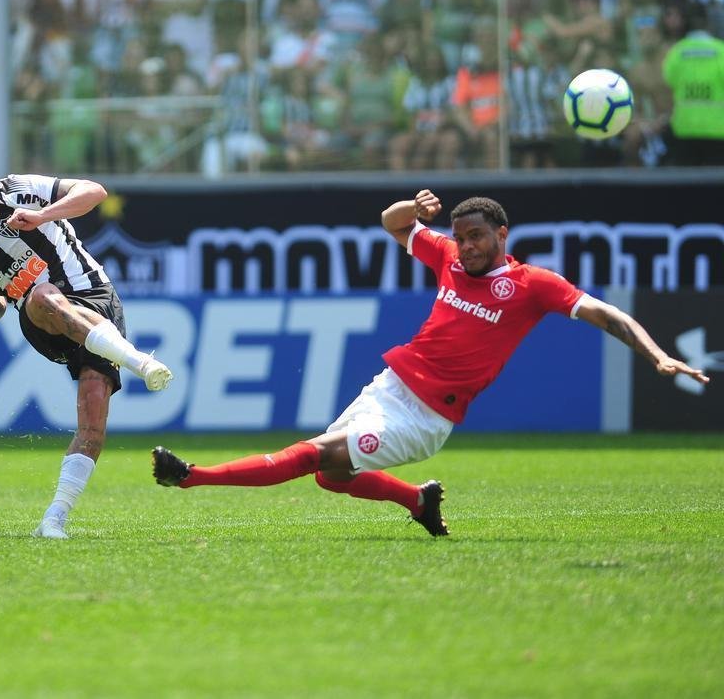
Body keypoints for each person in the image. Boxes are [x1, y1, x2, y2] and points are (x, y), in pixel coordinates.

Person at [153, 190, 710, 536]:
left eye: (476, 237)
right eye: (460, 236)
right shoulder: (446, 255)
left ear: (501, 236)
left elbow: (608, 315)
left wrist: (658, 355)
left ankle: (191, 479)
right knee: (330, 478)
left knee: (315, 456)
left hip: (423, 419)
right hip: (390, 387)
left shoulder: (532, 286)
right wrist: (413, 210)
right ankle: (418, 500)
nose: (464, 246)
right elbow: (391, 222)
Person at [0, 149, 174, 539]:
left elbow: (94, 191)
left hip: (93, 297)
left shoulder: (17, 191)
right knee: (40, 295)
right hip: (40, 317)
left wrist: (43, 216)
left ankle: (53, 519)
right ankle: (139, 361)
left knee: (91, 428)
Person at [661, 3, 724, 167]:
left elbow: (668, 83)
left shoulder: (676, 52)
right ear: (709, 23)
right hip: (717, 130)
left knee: (687, 186)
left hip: (684, 128)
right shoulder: (721, 51)